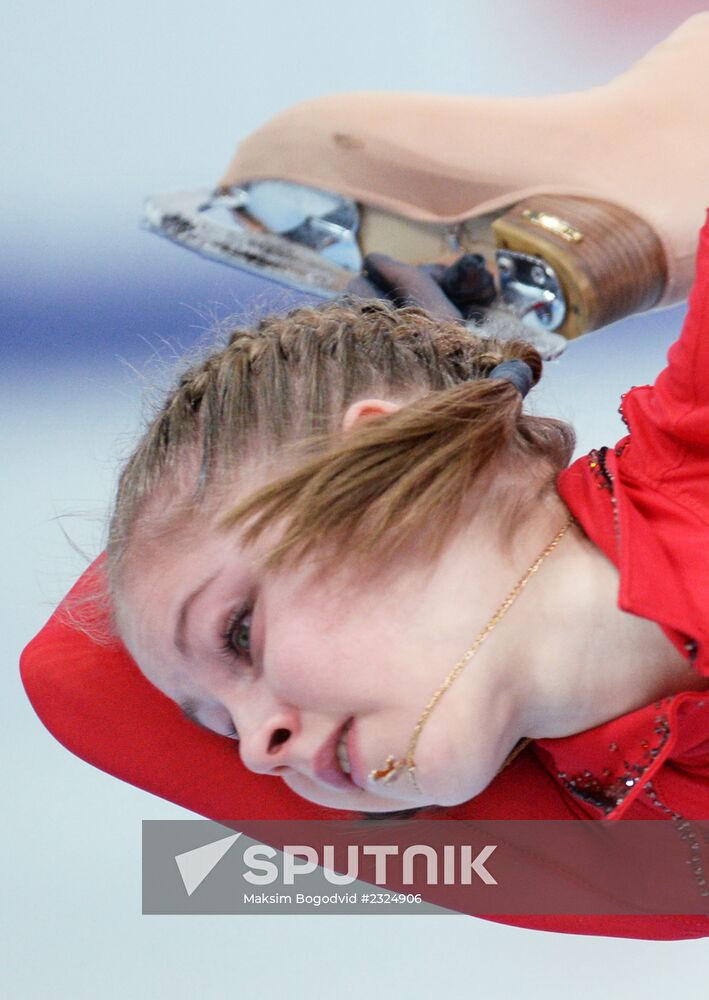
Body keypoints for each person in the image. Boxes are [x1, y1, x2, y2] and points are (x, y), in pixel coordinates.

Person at [20, 213, 709, 940]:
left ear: (379, 454)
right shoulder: (656, 862)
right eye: (220, 726)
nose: (256, 749)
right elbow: (79, 681)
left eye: (241, 633)